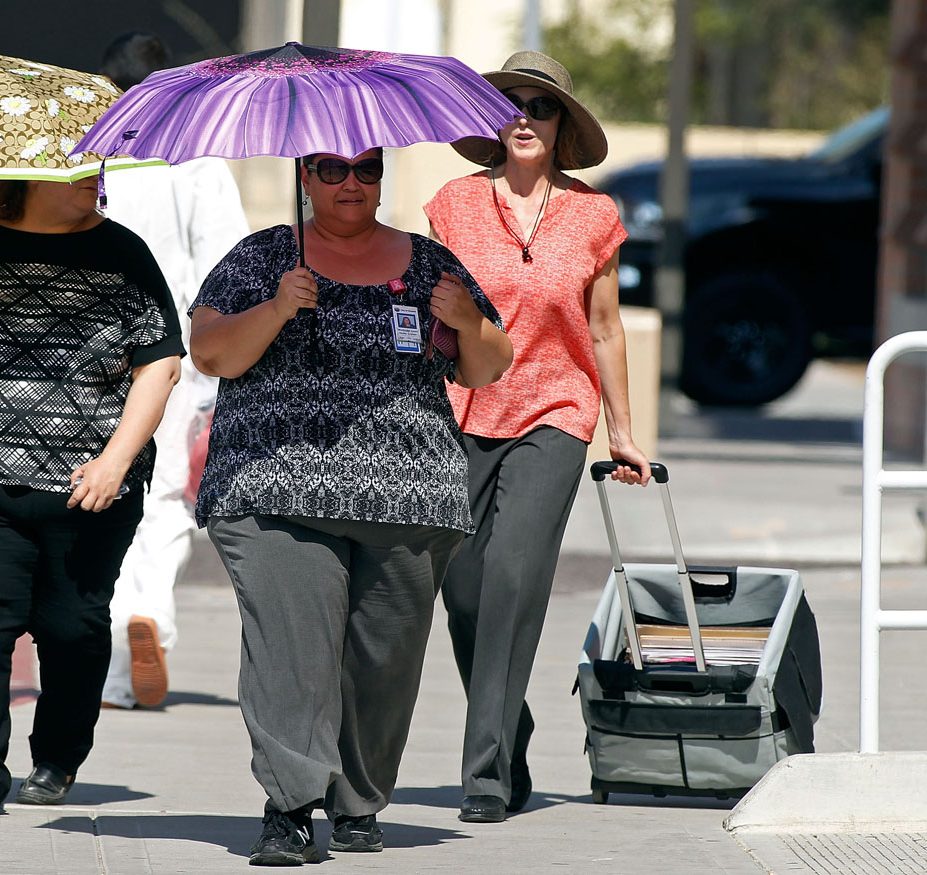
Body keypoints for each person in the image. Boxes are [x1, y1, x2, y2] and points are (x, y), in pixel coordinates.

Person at [189, 148, 512, 865]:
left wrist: (468, 320)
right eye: (331, 169)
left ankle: (359, 798)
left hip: (408, 494)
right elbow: (211, 353)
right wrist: (278, 305)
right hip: (276, 487)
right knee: (292, 649)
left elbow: (487, 369)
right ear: (305, 175)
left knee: (383, 659)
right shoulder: (262, 258)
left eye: (367, 169)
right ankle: (291, 805)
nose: (351, 183)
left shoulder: (429, 263)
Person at [0, 176, 183, 819]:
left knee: (71, 625)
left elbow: (159, 365)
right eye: (78, 167)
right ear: (27, 177)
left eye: (99, 165)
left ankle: (57, 758)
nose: (95, 179)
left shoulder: (123, 253)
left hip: (89, 483)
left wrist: (116, 460)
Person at [424, 50, 651, 825]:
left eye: (541, 106)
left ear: (562, 129)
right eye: (510, 102)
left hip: (556, 411)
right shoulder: (452, 204)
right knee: (460, 590)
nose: (524, 115)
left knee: (514, 574)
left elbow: (606, 327)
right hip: (461, 409)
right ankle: (508, 721)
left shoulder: (594, 216)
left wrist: (622, 431)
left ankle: (483, 770)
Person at [96, 31, 251, 709]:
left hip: (89, 354)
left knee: (94, 493)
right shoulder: (197, 162)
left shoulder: (91, 159)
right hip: (173, 357)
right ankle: (149, 617)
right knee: (161, 499)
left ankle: (105, 665)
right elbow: (228, 268)